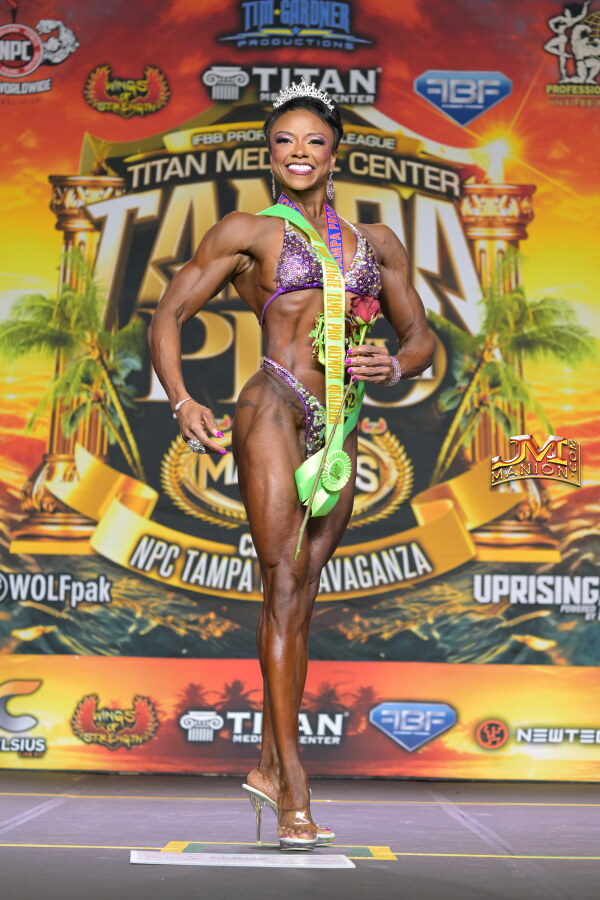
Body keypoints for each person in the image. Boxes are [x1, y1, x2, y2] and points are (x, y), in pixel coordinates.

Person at [148, 81, 435, 850]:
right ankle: (294, 786)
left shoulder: (377, 243)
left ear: (336, 152)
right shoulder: (248, 231)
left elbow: (420, 337)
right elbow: (170, 313)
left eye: (313, 140)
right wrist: (182, 400)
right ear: (268, 154)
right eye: (284, 141)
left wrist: (394, 364)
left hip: (341, 424)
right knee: (280, 583)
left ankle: (269, 767)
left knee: (303, 595)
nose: (299, 152)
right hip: (273, 403)